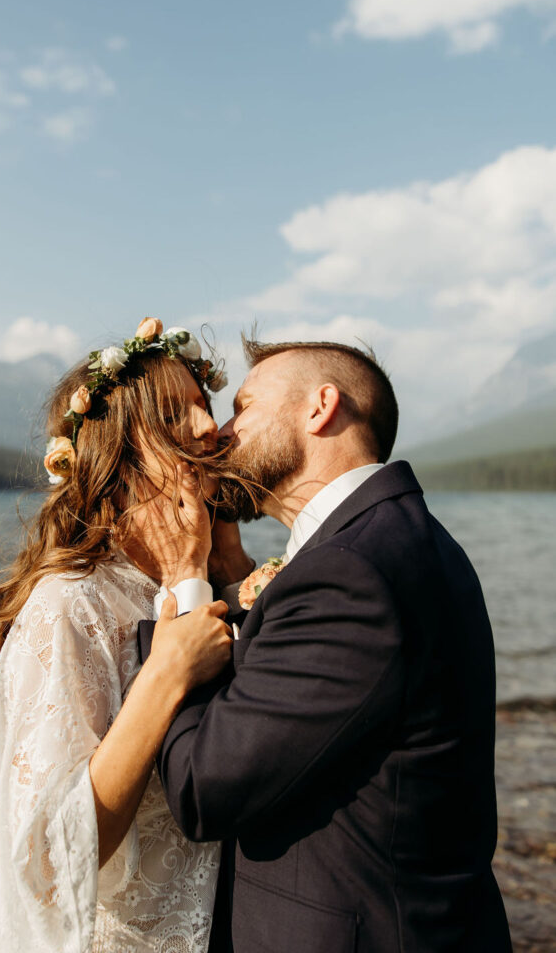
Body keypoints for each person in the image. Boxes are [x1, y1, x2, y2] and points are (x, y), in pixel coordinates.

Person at [143, 336, 513, 952]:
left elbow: (202, 788)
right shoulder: (391, 539)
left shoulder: (350, 572)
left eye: (245, 405)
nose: (223, 432)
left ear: (320, 408)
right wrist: (233, 571)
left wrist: (184, 578)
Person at [0, 319, 249, 953]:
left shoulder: (198, 580)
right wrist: (164, 676)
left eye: (204, 405)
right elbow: (49, 862)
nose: (206, 428)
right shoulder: (70, 603)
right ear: (119, 452)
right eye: (175, 412)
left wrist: (230, 570)